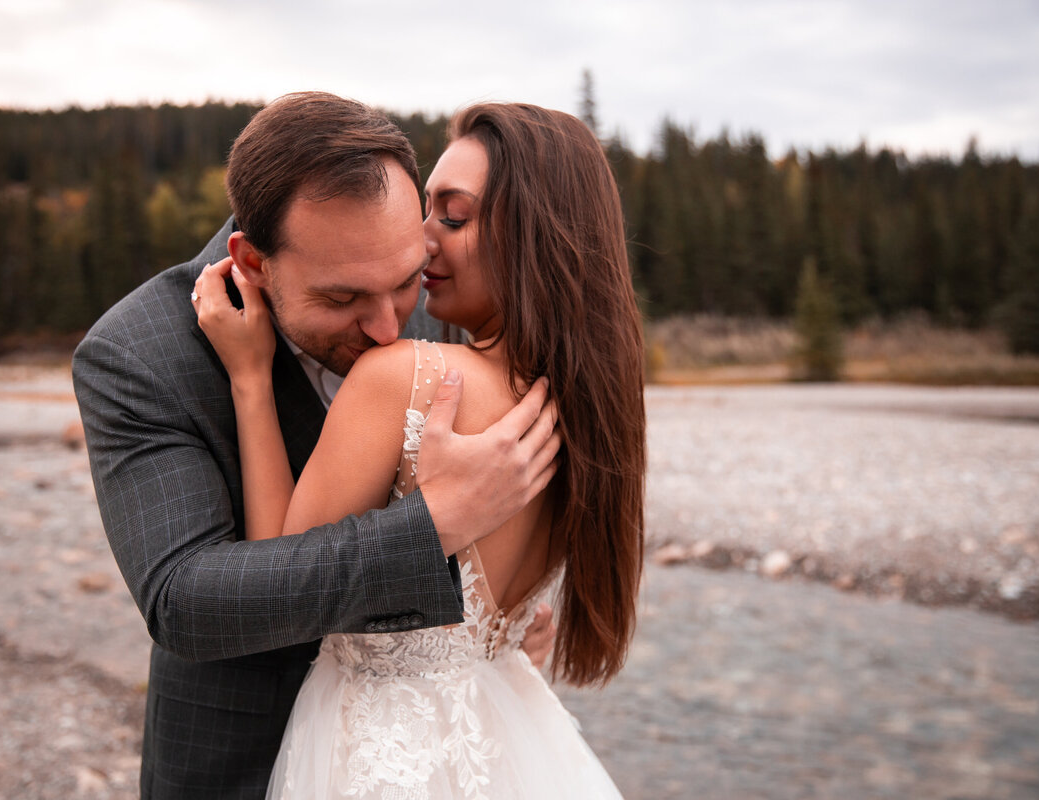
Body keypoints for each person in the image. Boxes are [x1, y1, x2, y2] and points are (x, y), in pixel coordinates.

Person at [72, 92, 562, 800]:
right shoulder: (136, 355)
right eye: (342, 301)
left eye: (402, 283)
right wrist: (430, 528)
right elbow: (185, 601)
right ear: (253, 260)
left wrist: (498, 628)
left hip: (432, 756)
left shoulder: (440, 292)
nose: (391, 326)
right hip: (239, 764)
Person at [195, 102, 646, 798]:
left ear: (535, 236)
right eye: (424, 208)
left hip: (379, 754)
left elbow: (277, 583)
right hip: (509, 742)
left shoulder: (409, 378)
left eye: (452, 217)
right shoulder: (586, 410)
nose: (420, 238)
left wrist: (250, 378)